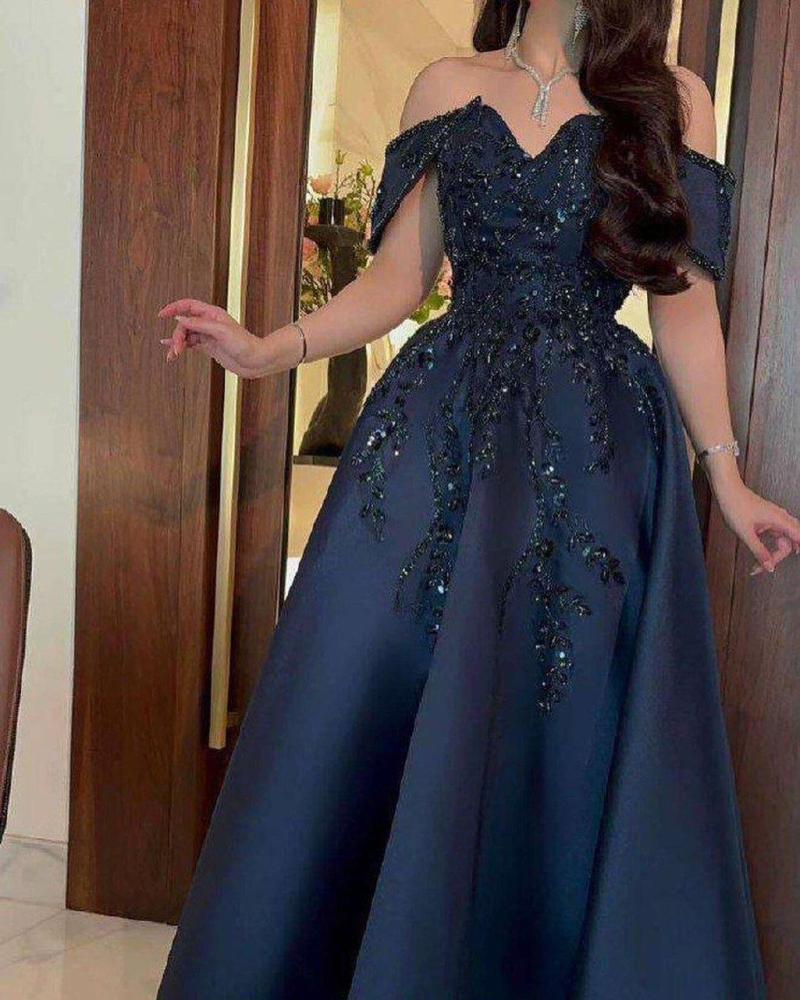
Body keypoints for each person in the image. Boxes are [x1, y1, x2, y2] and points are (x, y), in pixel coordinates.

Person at [157, 2, 791, 996]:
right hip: (436, 423)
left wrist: (727, 474)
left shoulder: (671, 99)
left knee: (557, 710)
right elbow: (397, 282)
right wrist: (269, 349)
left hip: (592, 447)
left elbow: (683, 309)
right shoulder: (446, 85)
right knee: (378, 665)